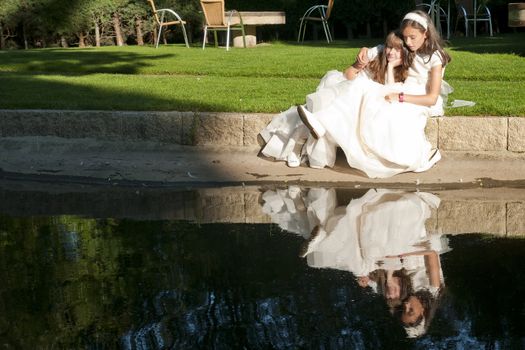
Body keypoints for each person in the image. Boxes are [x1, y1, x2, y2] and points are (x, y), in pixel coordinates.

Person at [297, 10, 453, 178]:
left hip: (419, 100)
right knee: (363, 87)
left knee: (377, 102)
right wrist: (365, 52)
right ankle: (322, 122)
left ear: (426, 33)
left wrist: (400, 97)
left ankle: (323, 122)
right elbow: (383, 49)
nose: (408, 42)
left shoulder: (436, 57)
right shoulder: (407, 47)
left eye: (412, 37)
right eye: (405, 37)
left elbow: (431, 98)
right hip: (400, 90)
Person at [259, 31, 411, 169]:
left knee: (339, 104)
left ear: (404, 52)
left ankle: (300, 142)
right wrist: (358, 66)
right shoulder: (376, 54)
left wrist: (390, 67)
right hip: (348, 88)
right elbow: (348, 74)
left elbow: (390, 92)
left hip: (363, 102)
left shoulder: (407, 70)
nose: (391, 52)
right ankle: (299, 146)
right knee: (335, 98)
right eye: (389, 47)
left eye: (397, 49)